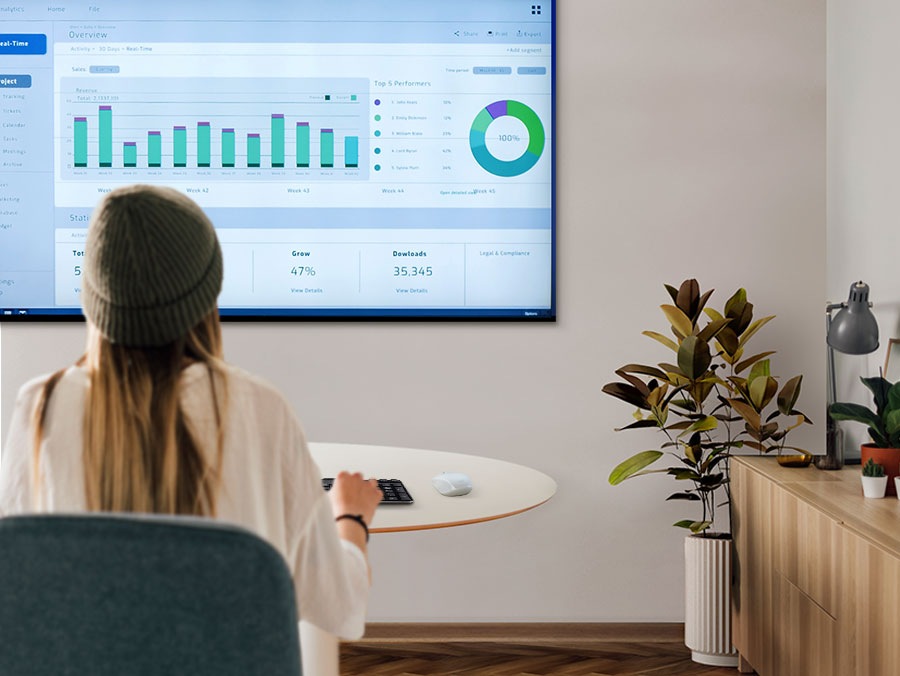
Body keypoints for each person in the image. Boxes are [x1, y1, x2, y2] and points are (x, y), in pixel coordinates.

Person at [0, 184, 382, 640]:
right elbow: (340, 609)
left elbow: (17, 586)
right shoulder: (259, 408)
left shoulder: (41, 406)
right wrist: (351, 518)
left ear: (96, 300)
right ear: (207, 297)